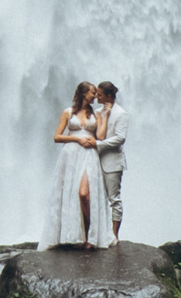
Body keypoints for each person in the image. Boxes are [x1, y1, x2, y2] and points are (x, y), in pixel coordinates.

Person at [38, 81, 116, 251]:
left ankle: (90, 234)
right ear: (83, 94)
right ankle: (75, 234)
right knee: (69, 194)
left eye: (96, 93)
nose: (96, 96)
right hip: (70, 156)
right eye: (92, 93)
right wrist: (77, 138)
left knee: (84, 194)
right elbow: (57, 137)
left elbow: (101, 136)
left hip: (89, 155)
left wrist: (106, 115)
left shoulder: (97, 115)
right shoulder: (68, 112)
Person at [94, 81, 127, 236]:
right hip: (95, 160)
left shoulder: (121, 113)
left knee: (114, 199)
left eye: (99, 94)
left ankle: (114, 235)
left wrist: (99, 145)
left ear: (108, 96)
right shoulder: (98, 112)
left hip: (113, 162)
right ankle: (99, 232)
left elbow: (120, 138)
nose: (96, 96)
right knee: (97, 198)